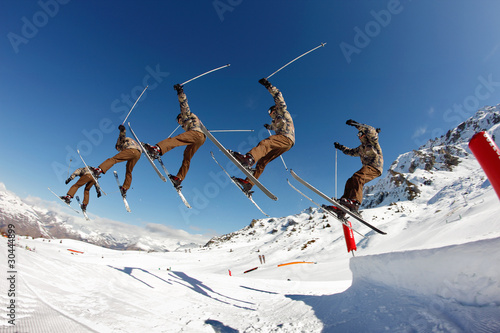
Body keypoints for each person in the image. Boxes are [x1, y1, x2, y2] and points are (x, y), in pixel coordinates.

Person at [231, 78, 295, 194]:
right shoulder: (275, 121)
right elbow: (274, 126)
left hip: (286, 138)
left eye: (270, 112)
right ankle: (249, 183)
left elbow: (278, 96)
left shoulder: (282, 111)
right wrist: (269, 127)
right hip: (284, 145)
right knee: (262, 162)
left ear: (274, 109)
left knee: (266, 143)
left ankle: (249, 158)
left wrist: (268, 85)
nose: (270, 114)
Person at [142, 84, 206, 188]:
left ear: (180, 117)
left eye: (179, 121)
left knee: (176, 140)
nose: (179, 124)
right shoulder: (192, 121)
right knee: (187, 157)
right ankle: (179, 178)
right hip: (201, 138)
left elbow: (184, 104)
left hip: (196, 134)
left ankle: (157, 149)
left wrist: (180, 92)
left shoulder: (185, 116)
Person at [330, 120, 383, 216]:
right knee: (350, 181)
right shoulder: (361, 148)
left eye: (361, 134)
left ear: (364, 134)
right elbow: (350, 152)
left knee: (358, 177)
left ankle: (355, 203)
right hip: (368, 168)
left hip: (375, 167)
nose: (359, 137)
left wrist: (356, 125)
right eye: (358, 136)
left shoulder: (373, 142)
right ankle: (343, 206)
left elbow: (371, 130)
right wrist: (341, 147)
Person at [94, 124, 141, 198]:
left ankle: (99, 170)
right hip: (138, 154)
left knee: (114, 159)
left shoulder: (121, 143)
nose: (119, 150)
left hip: (131, 150)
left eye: (118, 149)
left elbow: (122, 136)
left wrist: (122, 129)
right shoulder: (133, 141)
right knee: (129, 171)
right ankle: (125, 188)